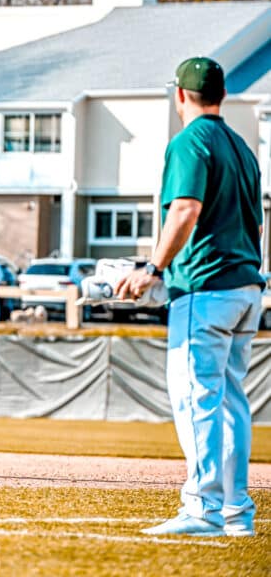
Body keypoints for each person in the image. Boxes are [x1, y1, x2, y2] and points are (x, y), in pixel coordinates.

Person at [116, 57, 263, 537]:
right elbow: (257, 225)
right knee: (231, 402)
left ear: (180, 95)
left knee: (197, 398)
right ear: (222, 95)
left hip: (206, 287)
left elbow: (185, 209)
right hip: (246, 286)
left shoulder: (189, 141)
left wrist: (154, 267)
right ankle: (236, 512)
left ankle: (203, 508)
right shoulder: (242, 148)